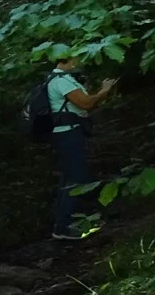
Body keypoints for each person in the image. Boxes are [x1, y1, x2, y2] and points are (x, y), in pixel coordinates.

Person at [46, 58, 118, 240]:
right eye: (75, 58)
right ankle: (64, 227)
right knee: (77, 177)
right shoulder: (61, 81)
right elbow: (85, 103)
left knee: (69, 178)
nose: (78, 61)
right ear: (66, 60)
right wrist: (104, 90)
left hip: (68, 132)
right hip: (68, 134)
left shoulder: (62, 79)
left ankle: (62, 225)